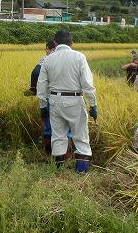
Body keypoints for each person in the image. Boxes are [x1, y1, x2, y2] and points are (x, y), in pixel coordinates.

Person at [36, 29, 98, 173]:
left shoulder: (48, 59)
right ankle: (81, 171)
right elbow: (87, 85)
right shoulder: (79, 57)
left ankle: (59, 170)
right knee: (81, 135)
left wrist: (42, 106)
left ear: (55, 43)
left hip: (54, 101)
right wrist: (93, 105)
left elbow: (41, 84)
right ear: (72, 43)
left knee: (58, 136)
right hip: (74, 100)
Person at [30, 40, 73, 157]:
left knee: (49, 128)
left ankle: (50, 158)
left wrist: (33, 88)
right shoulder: (72, 57)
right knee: (67, 130)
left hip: (51, 99)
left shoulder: (46, 59)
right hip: (70, 99)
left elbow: (35, 73)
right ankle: (66, 158)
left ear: (50, 49)